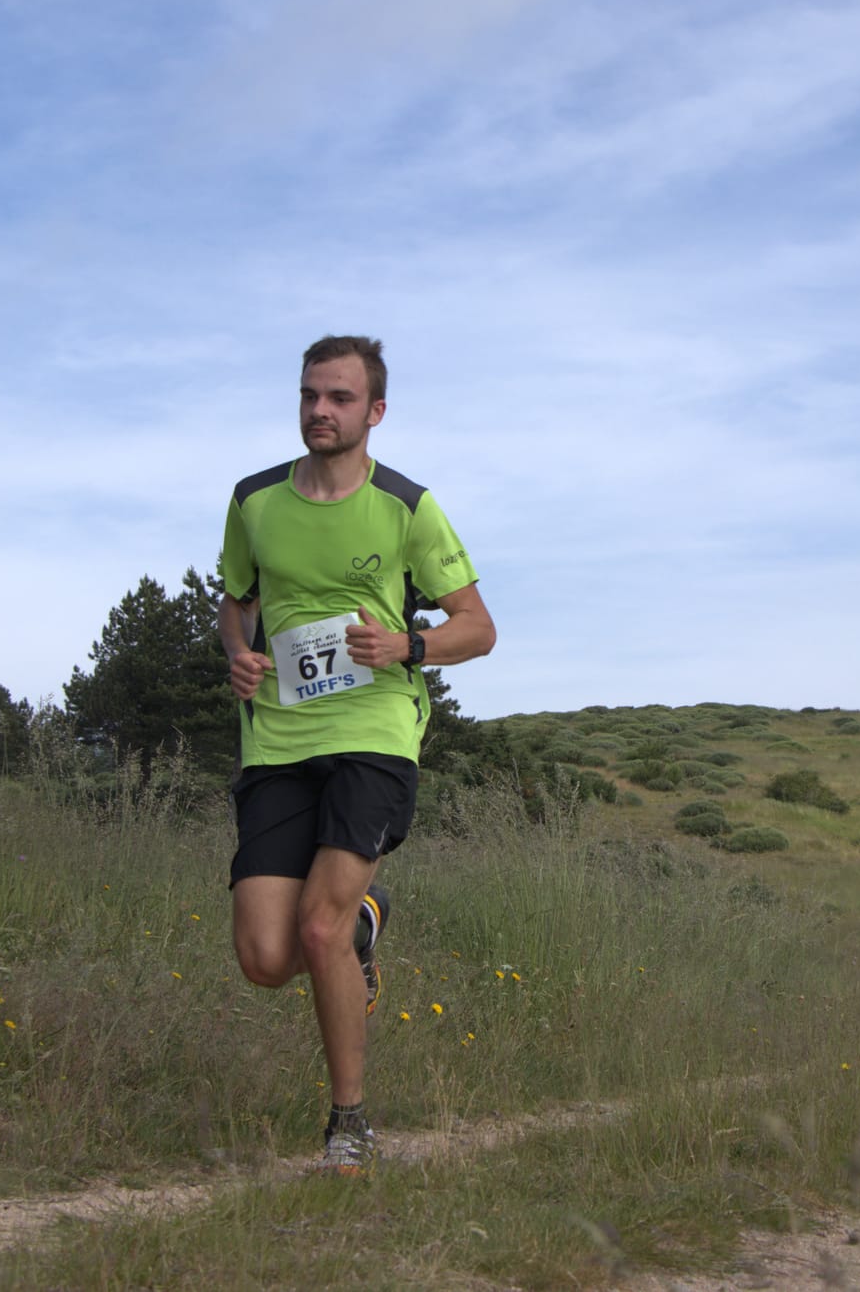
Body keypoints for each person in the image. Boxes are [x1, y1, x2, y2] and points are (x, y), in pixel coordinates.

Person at [218, 334, 496, 1175]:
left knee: (317, 925)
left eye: (339, 398)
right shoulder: (254, 500)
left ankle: (350, 1121)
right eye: (309, 395)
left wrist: (409, 646)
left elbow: (478, 628)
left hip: (375, 732)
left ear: (374, 412)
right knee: (268, 956)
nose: (319, 411)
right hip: (277, 736)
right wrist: (236, 652)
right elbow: (236, 603)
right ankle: (366, 930)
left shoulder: (407, 507)